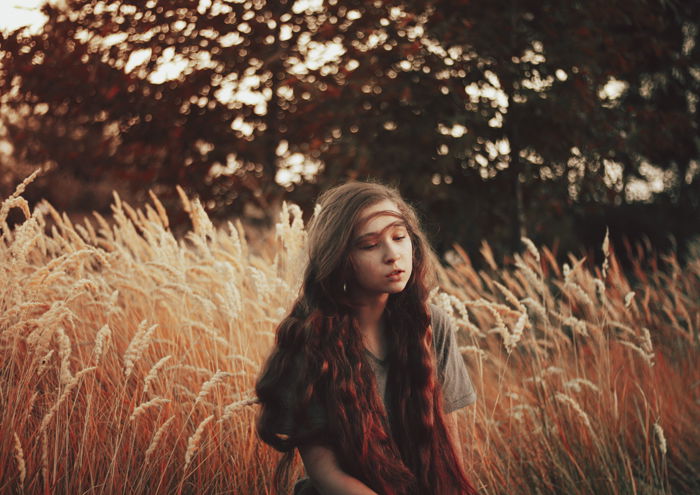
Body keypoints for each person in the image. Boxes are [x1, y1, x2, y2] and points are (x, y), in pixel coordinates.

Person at [255, 181, 479, 495]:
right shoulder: (310, 339)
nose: (393, 254)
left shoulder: (431, 324)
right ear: (341, 258)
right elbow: (324, 469)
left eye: (399, 237)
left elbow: (446, 441)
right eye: (370, 245)